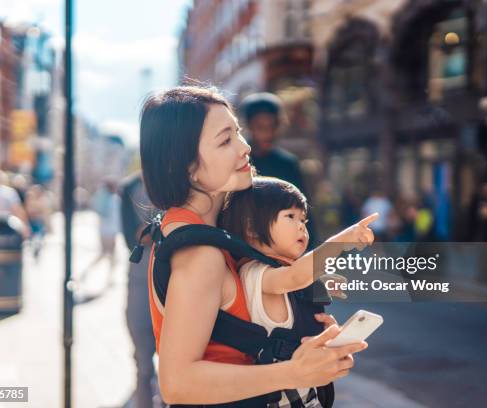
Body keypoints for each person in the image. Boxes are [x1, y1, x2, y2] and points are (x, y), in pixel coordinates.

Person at [140, 86, 368, 406]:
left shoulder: (196, 231)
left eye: (238, 133)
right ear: (186, 166)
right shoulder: (201, 253)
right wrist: (295, 372)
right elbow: (177, 383)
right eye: (225, 140)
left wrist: (299, 334)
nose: (244, 147)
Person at [219, 176, 377, 406]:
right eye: (290, 216)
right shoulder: (253, 272)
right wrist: (341, 241)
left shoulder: (286, 275)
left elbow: (298, 279)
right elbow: (294, 277)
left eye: (303, 219)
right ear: (252, 227)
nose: (301, 225)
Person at [240, 92, 318, 248]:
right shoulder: (239, 160)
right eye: (260, 127)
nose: (267, 133)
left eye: (272, 126)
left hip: (283, 246)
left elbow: (303, 209)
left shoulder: (288, 164)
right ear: (248, 126)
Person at [119, 172, 161, 408]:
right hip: (141, 276)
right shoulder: (131, 186)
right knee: (143, 363)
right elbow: (131, 238)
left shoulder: (181, 179)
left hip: (173, 275)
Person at [81, 179, 121, 285]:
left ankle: (109, 278)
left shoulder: (105, 198)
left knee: (109, 255)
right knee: (107, 255)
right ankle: (109, 278)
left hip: (104, 231)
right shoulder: (113, 199)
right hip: (110, 232)